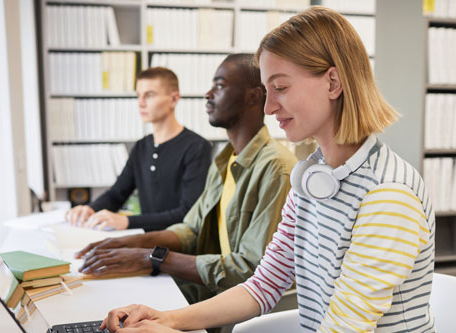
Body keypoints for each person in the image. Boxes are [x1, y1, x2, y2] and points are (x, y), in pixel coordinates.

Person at [99, 7, 436, 332]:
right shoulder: (312, 175)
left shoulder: (388, 196)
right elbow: (263, 285)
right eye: (267, 89)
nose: (270, 106)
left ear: (333, 83)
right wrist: (165, 319)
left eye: (281, 88)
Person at [75, 54, 299, 304]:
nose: (208, 94)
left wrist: (150, 257)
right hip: (212, 287)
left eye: (220, 85)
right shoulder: (224, 160)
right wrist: (131, 243)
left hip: (237, 303)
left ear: (254, 96)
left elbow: (249, 269)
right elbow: (191, 229)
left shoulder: (276, 169)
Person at [65, 67, 212, 232]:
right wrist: (90, 209)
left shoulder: (197, 147)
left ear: (174, 99)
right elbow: (117, 193)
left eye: (149, 95)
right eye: (138, 95)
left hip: (180, 246)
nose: (141, 103)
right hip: (147, 241)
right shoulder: (141, 146)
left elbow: (188, 213)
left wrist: (127, 221)